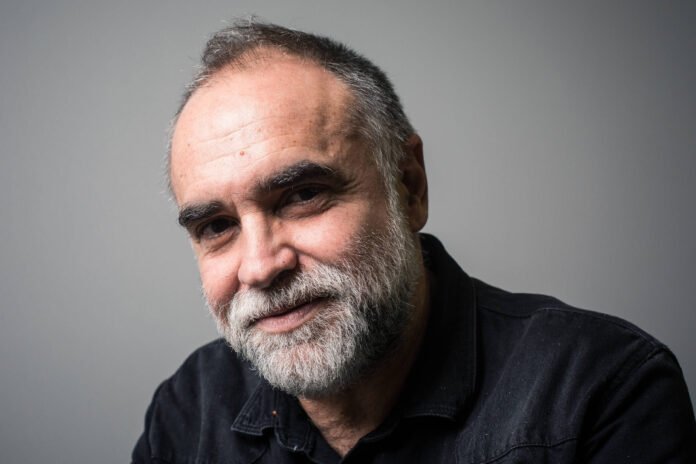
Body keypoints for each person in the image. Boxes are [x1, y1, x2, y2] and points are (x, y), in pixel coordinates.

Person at [132, 20, 696, 463]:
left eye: (303, 195)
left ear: (409, 187)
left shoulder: (599, 389)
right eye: (216, 227)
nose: (259, 266)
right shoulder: (188, 412)